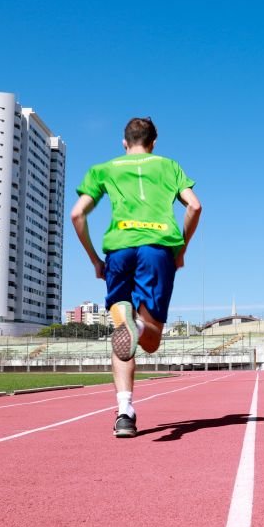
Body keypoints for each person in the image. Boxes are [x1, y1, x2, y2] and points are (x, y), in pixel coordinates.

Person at [71, 117, 201, 438]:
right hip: (157, 250)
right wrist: (181, 249)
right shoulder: (169, 166)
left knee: (121, 328)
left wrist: (95, 260)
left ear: (124, 142)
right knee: (151, 342)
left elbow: (77, 214)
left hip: (119, 251)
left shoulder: (104, 168)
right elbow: (195, 207)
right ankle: (139, 326)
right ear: (153, 143)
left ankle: (124, 412)